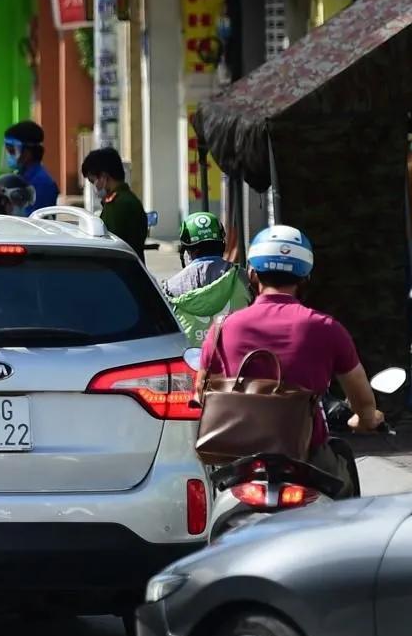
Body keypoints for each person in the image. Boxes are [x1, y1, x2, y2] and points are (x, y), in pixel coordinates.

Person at [197, 225, 384, 488]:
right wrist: (366, 420)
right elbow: (362, 399)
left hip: (237, 459)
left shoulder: (222, 328)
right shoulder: (326, 328)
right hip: (306, 455)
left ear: (252, 274)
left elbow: (201, 390)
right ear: (305, 277)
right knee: (342, 505)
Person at [164, 211, 249, 344]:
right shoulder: (243, 279)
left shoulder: (170, 289)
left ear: (187, 250)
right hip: (238, 361)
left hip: (191, 362)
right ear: (222, 245)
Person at [80, 146, 147, 260]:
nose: (94, 187)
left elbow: (110, 247)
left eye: (93, 181)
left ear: (104, 177)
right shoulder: (128, 199)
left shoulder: (117, 205)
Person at [1, 120, 59, 214]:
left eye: (12, 151)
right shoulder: (19, 177)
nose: (9, 156)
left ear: (27, 153)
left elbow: (33, 220)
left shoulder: (42, 183)